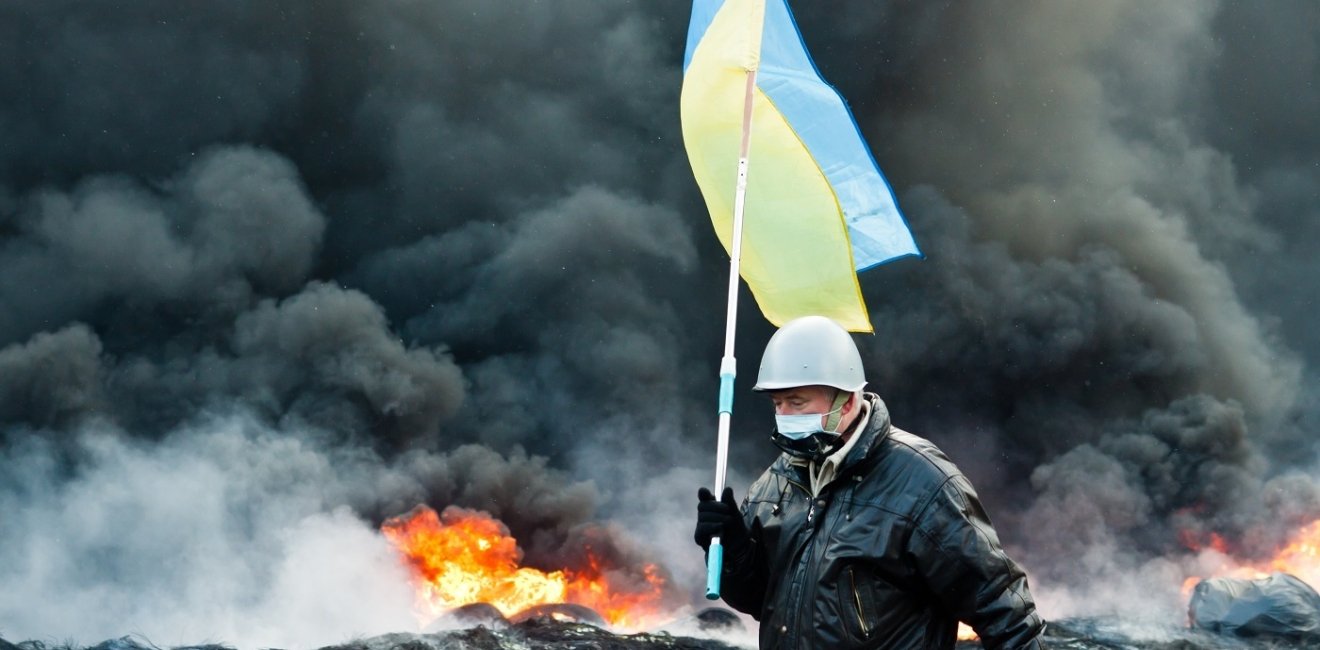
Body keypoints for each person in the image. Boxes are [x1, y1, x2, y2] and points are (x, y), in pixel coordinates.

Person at [694, 315, 1046, 649]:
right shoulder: (777, 483)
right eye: (777, 403)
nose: (783, 416)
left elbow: (1003, 610)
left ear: (846, 402)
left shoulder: (923, 483)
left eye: (797, 402)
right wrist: (734, 550)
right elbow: (759, 602)